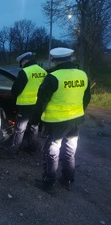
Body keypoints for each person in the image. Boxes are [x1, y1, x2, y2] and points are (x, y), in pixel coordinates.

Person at [30, 47, 91, 194]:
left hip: (56, 123)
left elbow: (41, 102)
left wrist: (35, 120)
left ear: (53, 59)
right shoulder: (82, 74)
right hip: (76, 121)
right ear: (70, 59)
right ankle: (68, 179)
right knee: (70, 151)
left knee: (52, 151)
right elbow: (87, 98)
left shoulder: (53, 77)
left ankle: (48, 181)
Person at [0, 52, 47, 159]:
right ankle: (32, 148)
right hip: (38, 105)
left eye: (22, 63)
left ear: (25, 61)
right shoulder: (43, 71)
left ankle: (13, 150)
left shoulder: (25, 72)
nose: (22, 65)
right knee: (34, 126)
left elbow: (15, 90)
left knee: (20, 129)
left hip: (25, 105)